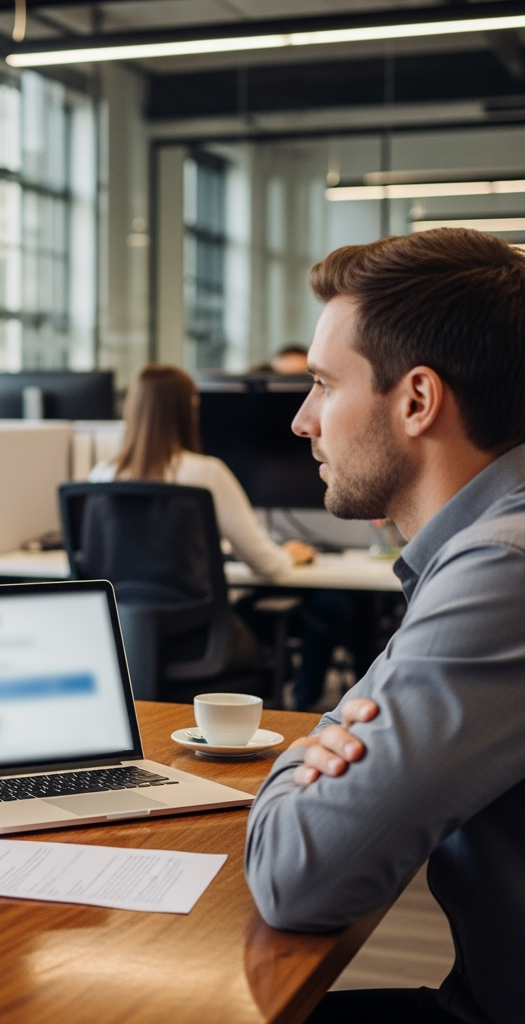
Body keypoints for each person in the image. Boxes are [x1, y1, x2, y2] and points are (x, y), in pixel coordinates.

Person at [245, 228, 525, 1024]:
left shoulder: (505, 567)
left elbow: (301, 877)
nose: (305, 421)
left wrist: (296, 758)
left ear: (417, 401)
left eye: (325, 385)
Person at [90, 364, 316, 577]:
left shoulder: (100, 475)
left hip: (118, 616)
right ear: (190, 410)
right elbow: (267, 565)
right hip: (193, 617)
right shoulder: (207, 473)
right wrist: (290, 555)